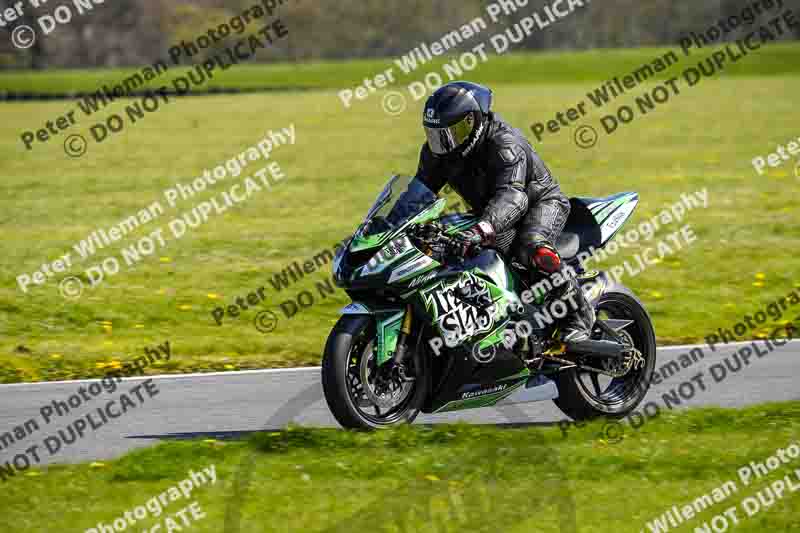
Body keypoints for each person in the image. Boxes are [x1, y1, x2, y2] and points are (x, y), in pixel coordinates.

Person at [409, 80, 594, 342]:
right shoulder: (438, 154)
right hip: (491, 212)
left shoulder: (504, 144)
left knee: (533, 246)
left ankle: (578, 315)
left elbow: (513, 196)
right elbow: (420, 192)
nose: (444, 143)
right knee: (444, 244)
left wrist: (481, 229)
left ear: (474, 121)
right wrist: (392, 225)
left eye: (454, 132)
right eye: (437, 135)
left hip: (539, 203)